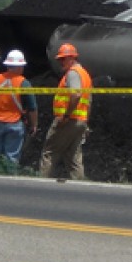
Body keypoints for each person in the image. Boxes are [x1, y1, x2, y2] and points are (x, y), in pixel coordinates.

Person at [0, 49, 38, 173]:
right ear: (20, 67)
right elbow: (32, 108)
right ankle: (10, 180)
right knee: (12, 156)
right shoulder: (24, 83)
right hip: (15, 123)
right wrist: (34, 125)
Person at [40, 43, 92, 180]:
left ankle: (41, 184)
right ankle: (80, 186)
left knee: (49, 152)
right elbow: (89, 101)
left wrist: (66, 116)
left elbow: (75, 95)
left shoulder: (73, 74)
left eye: (63, 59)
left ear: (72, 58)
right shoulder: (85, 74)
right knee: (73, 156)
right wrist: (86, 122)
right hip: (79, 121)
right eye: (59, 60)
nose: (60, 62)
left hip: (68, 120)